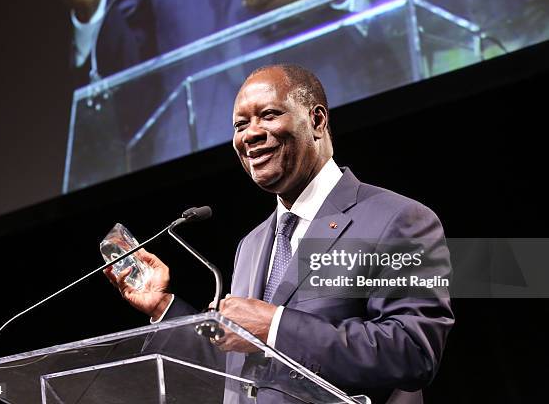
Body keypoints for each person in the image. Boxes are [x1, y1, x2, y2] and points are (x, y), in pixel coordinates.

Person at [104, 64, 454, 403]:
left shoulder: (397, 219)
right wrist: (166, 308)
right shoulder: (251, 245)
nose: (250, 133)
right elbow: (238, 375)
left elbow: (411, 352)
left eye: (269, 115)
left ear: (317, 120)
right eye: (241, 124)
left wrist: (275, 325)